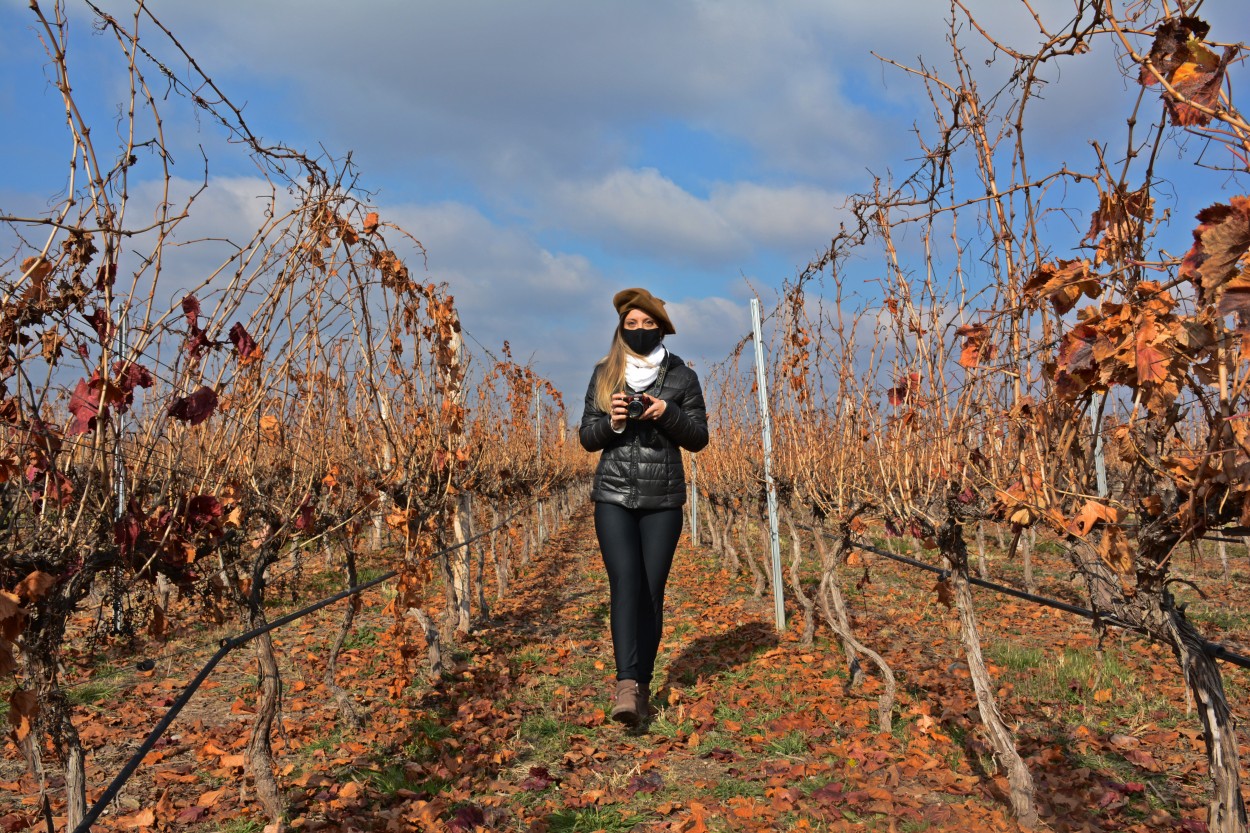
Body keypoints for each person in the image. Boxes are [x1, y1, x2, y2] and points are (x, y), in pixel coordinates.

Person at [579, 288, 709, 727]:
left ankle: (644, 682)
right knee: (625, 584)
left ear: (661, 327)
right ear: (621, 328)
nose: (638, 331)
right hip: (613, 495)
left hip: (663, 500)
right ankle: (626, 685)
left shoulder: (682, 377)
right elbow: (586, 437)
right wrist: (613, 422)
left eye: (646, 324)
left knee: (651, 591)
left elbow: (698, 437)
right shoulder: (603, 374)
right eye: (630, 325)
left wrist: (665, 412)